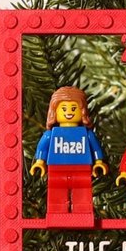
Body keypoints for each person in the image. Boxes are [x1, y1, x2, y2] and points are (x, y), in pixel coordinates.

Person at [30, 87, 108, 225]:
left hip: (82, 168)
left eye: (73, 108)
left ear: (82, 111)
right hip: (56, 168)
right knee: (57, 191)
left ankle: (83, 214)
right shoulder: (51, 134)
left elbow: (95, 147)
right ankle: (56, 214)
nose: (69, 113)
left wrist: (99, 162)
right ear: (55, 112)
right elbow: (42, 147)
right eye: (64, 109)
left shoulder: (86, 133)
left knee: (82, 191)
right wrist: (40, 162)